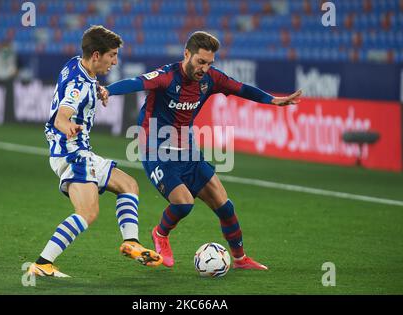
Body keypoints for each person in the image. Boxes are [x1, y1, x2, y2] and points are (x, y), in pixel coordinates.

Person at [105, 31, 301, 269]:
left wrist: (273, 100)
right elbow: (135, 83)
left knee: (225, 206)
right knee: (184, 204)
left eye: (209, 63)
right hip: (155, 150)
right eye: (200, 62)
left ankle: (240, 259)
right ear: (187, 54)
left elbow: (242, 89)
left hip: (187, 149)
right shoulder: (167, 76)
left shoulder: (212, 79)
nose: (205, 68)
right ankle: (160, 234)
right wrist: (107, 90)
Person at [27, 26, 162, 278]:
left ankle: (131, 241)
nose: (115, 61)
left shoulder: (77, 65)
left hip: (79, 152)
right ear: (97, 55)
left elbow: (82, 81)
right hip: (73, 153)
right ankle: (43, 263)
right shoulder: (78, 85)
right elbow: (61, 116)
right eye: (112, 55)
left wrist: (97, 89)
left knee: (128, 185)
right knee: (88, 213)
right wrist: (68, 125)